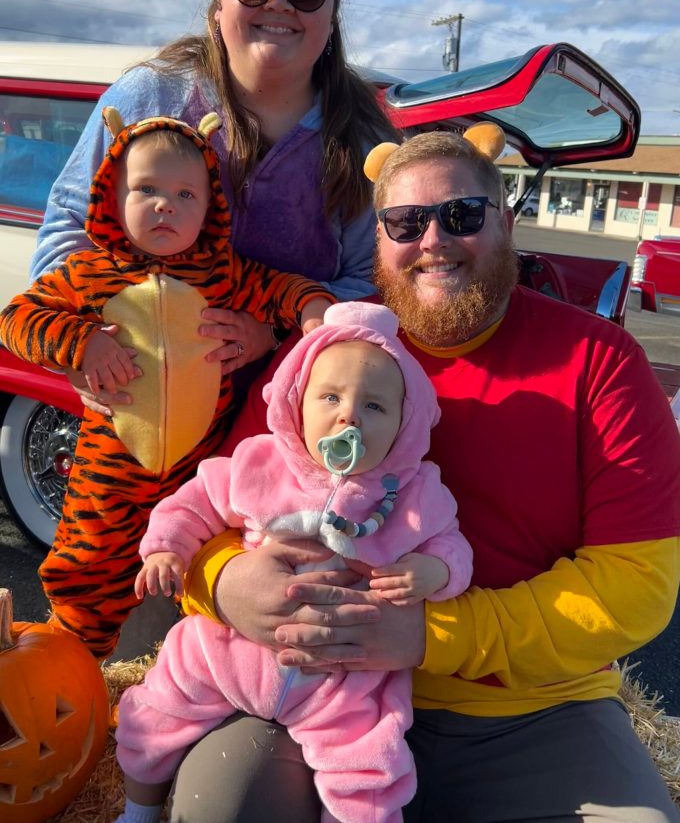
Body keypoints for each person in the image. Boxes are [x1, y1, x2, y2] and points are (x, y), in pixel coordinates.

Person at [170, 129, 680, 823]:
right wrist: (227, 583)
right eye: (405, 222)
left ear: (505, 221)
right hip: (317, 688)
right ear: (379, 241)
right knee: (220, 806)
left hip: (525, 708)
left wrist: (431, 635)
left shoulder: (601, 361)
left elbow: (638, 584)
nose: (433, 239)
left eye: (462, 215)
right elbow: (215, 503)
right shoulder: (327, 361)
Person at [112, 301, 473, 823]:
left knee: (369, 767)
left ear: (405, 426)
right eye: (330, 397)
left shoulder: (415, 495)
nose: (348, 415)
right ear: (296, 404)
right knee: (154, 714)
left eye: (374, 407)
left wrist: (434, 573)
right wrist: (167, 547)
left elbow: (454, 547)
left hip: (342, 679)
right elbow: (195, 503)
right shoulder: (261, 462)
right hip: (226, 653)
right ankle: (137, 811)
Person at [0, 108, 332, 660]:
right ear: (113, 197)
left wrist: (312, 307)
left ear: (210, 208)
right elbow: (16, 319)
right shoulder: (87, 272)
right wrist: (80, 343)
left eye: (185, 195)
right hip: (108, 472)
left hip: (196, 471)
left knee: (201, 567)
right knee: (85, 569)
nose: (164, 205)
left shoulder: (225, 272)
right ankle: (74, 669)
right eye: (146, 189)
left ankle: (188, 670)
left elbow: (281, 289)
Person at [30, 0, 400, 390]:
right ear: (217, 1)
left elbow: (373, 283)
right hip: (149, 402)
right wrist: (84, 345)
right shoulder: (149, 97)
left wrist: (274, 331)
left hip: (298, 417)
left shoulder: (365, 139)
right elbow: (71, 226)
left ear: (333, 10)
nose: (280, 1)